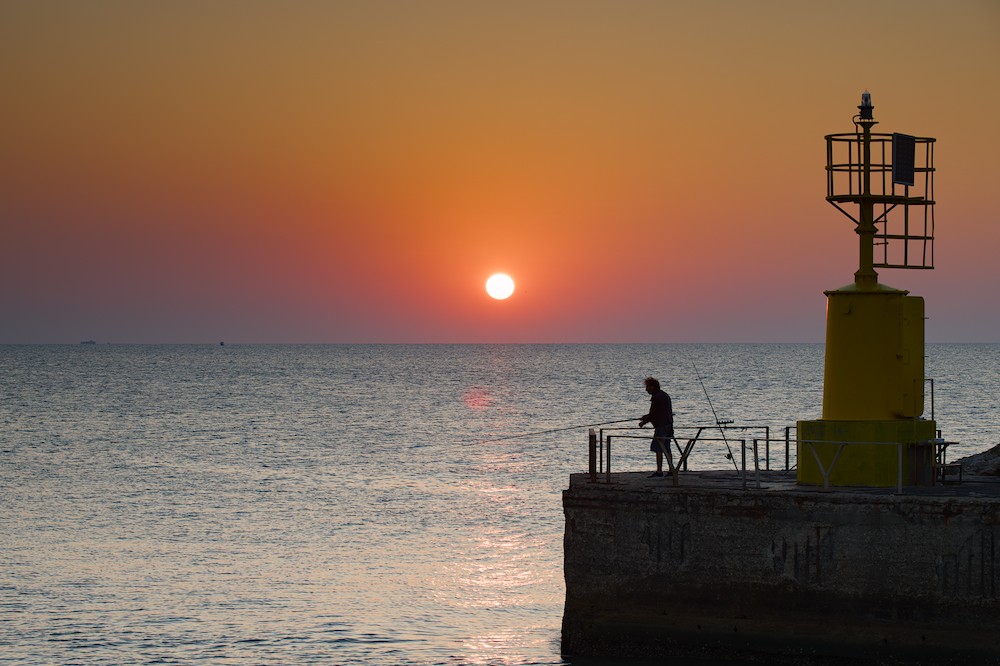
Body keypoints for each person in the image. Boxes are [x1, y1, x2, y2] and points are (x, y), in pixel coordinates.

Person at [638, 376, 674, 477]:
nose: (646, 389)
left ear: (653, 387)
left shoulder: (656, 398)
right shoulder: (664, 395)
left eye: (647, 387)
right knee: (667, 448)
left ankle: (659, 471)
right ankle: (671, 470)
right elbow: (656, 413)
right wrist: (646, 417)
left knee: (658, 448)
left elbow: (653, 414)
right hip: (669, 425)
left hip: (661, 427)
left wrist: (643, 422)